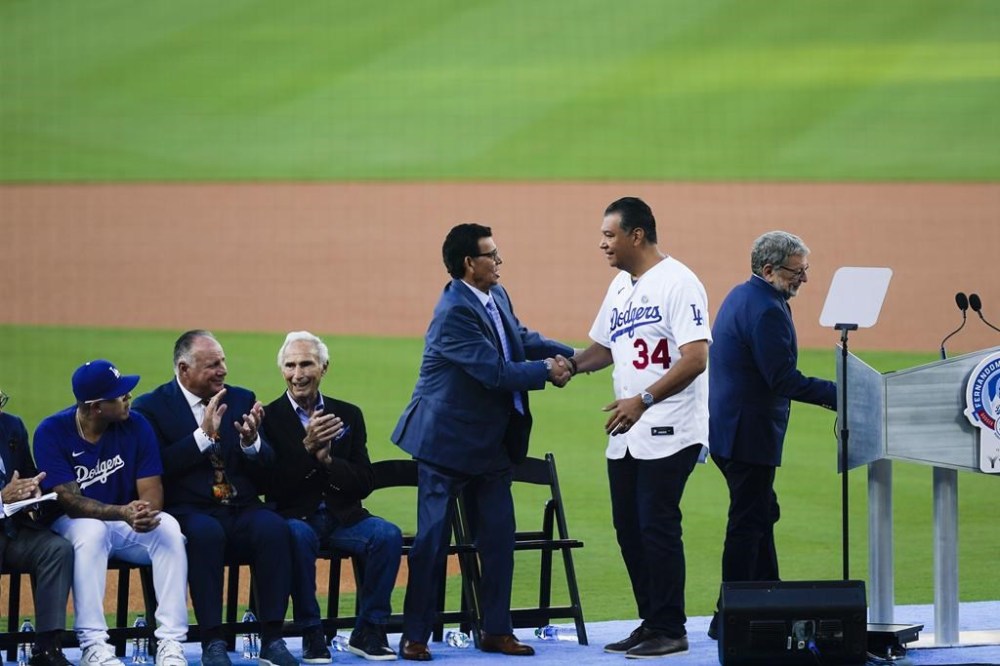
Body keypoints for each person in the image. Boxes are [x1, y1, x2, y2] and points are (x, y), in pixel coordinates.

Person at [391, 223, 573, 661]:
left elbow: (520, 341)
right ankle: (415, 636)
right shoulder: (454, 311)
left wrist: (575, 356)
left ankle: (495, 630)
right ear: (470, 264)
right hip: (446, 442)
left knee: (498, 537)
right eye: (492, 255)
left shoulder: (497, 295)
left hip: (490, 443)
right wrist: (550, 371)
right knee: (432, 541)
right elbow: (494, 372)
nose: (499, 261)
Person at [568, 197, 711, 659]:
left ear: (637, 235)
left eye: (610, 235)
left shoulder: (680, 282)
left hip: (671, 427)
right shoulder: (621, 286)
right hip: (627, 432)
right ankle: (652, 622)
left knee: (657, 526)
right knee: (629, 528)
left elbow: (696, 357)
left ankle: (671, 627)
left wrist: (645, 399)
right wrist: (567, 366)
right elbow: (603, 348)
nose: (602, 244)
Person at [132, 331, 298, 666]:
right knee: (206, 535)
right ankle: (212, 640)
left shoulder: (240, 398)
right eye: (212, 365)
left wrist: (252, 443)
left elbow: (268, 464)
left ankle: (272, 637)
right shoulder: (151, 408)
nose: (223, 370)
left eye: (222, 361)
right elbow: (157, 465)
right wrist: (202, 437)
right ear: (184, 369)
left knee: (275, 529)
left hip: (241, 506)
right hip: (190, 510)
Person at [706, 231, 837, 639]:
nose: (804, 279)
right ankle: (730, 615)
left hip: (730, 431)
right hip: (748, 435)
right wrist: (841, 394)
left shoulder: (743, 295)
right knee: (747, 523)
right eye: (796, 272)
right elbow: (782, 379)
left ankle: (768, 599)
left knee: (762, 513)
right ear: (768, 270)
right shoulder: (766, 310)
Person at [32, 361, 189, 666]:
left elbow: (151, 488)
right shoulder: (52, 431)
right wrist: (123, 512)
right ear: (95, 408)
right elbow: (70, 502)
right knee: (92, 531)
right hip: (72, 524)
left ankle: (171, 643)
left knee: (168, 528)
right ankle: (93, 644)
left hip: (124, 520)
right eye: (119, 396)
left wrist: (145, 512)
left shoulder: (137, 424)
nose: (128, 398)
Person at [261, 331, 403, 662]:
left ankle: (369, 630)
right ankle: (311, 632)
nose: (298, 374)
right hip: (297, 517)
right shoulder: (268, 419)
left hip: (345, 518)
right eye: (290, 365)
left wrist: (328, 462)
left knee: (387, 535)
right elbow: (272, 486)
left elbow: (365, 480)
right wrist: (307, 451)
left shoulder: (348, 414)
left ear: (324, 367)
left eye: (307, 364)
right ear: (282, 370)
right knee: (295, 535)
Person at [0, 388, 74, 666]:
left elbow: (28, 474)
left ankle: (47, 648)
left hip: (14, 531)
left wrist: (33, 492)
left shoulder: (11, 426)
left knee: (56, 549)